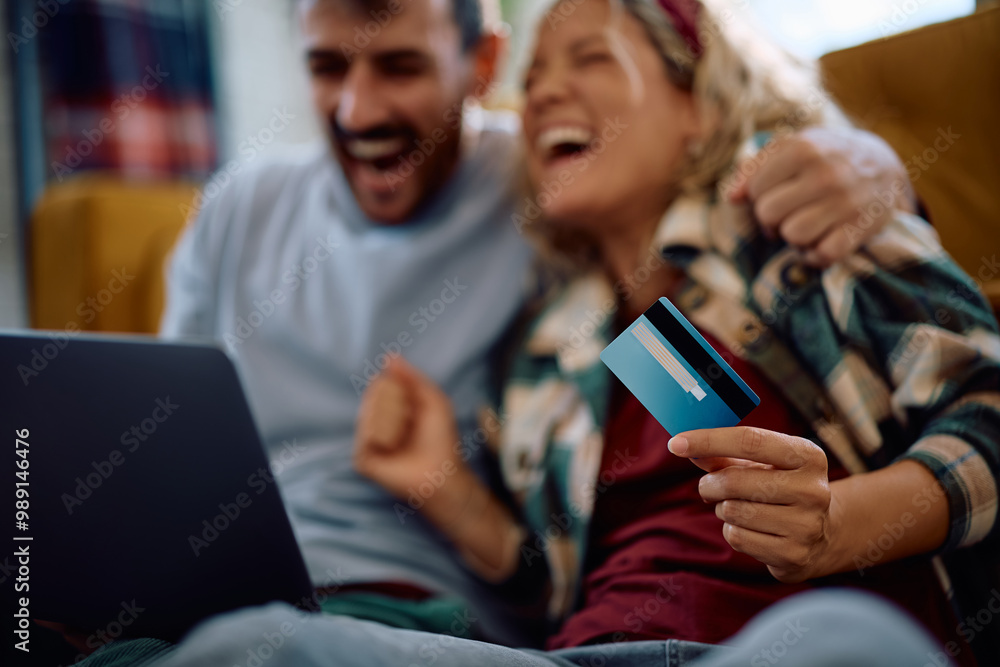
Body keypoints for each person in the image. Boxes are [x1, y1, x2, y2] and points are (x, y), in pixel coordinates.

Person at [57, 0, 924, 664]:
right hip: (568, 642)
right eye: (326, 67)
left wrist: (870, 163)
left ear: (479, 64)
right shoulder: (576, 319)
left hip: (423, 608)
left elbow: (971, 397)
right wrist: (451, 488)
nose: (358, 110)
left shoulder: (573, 192)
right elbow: (560, 567)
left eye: (400, 66)